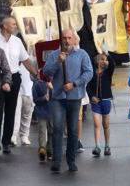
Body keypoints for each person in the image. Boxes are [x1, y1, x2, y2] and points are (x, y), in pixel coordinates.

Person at [42, 29, 94, 174]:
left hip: (74, 97)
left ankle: (71, 160)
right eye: (64, 38)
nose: (66, 40)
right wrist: (58, 62)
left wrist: (75, 83)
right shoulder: (54, 55)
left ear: (74, 40)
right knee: (57, 129)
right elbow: (46, 72)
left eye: (69, 38)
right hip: (58, 98)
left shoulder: (82, 54)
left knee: (72, 130)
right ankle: (57, 162)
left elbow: (89, 72)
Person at [0, 16, 38, 154]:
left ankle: (6, 141)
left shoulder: (17, 41)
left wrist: (36, 74)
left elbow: (25, 60)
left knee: (11, 111)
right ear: (4, 26)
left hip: (14, 77)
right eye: (13, 24)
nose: (15, 26)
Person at [87, 51, 115, 157]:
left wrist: (107, 55)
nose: (104, 61)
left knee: (106, 124)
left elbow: (112, 64)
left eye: (105, 60)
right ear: (97, 61)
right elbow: (88, 87)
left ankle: (107, 145)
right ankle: (97, 146)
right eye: (102, 59)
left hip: (106, 100)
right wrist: (92, 96)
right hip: (96, 102)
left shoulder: (108, 72)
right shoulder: (91, 73)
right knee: (96, 124)